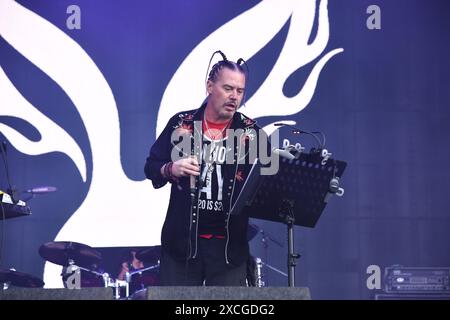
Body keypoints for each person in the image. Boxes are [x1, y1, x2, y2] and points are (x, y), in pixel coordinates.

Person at [144, 51, 273, 286]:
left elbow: (271, 181)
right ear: (210, 86)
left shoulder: (251, 133)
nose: (235, 96)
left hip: (228, 250)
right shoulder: (181, 123)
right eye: (228, 88)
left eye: (240, 91)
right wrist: (171, 169)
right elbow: (151, 167)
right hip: (182, 246)